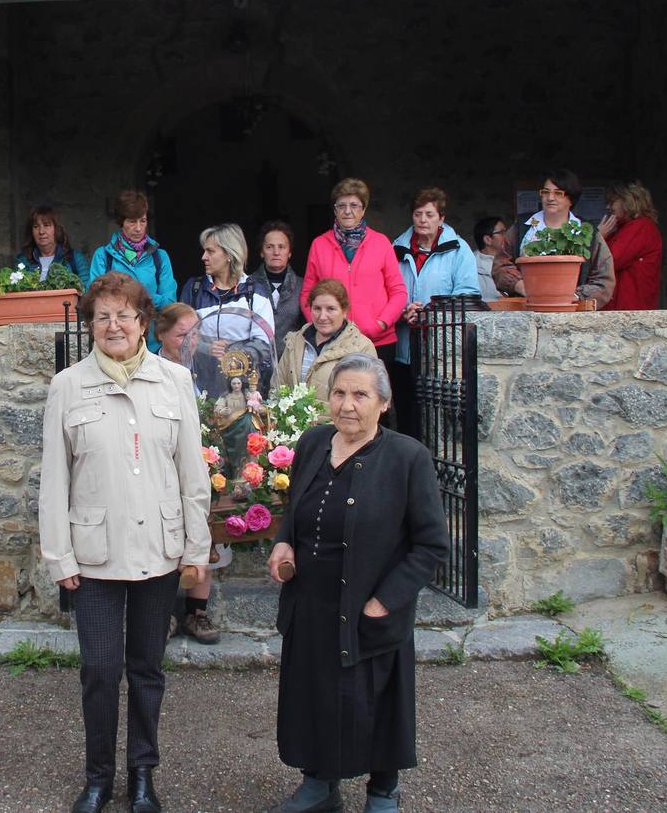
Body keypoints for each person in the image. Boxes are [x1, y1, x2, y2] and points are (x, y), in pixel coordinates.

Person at [39, 272, 212, 813]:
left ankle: (142, 775)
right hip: (93, 556)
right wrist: (59, 555)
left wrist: (196, 549)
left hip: (159, 550)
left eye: (124, 315)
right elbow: (54, 478)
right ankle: (98, 777)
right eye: (102, 316)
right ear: (91, 325)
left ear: (142, 322)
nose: (114, 325)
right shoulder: (67, 386)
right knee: (99, 669)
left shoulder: (174, 380)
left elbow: (192, 474)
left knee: (146, 669)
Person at [266, 355, 448, 813]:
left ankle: (383, 791)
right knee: (315, 697)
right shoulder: (313, 442)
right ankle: (319, 784)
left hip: (370, 607)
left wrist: (385, 601)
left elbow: (431, 545)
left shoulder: (408, 458)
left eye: (361, 395)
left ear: (383, 403)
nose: (347, 405)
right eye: (339, 393)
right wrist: (284, 542)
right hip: (312, 605)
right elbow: (296, 508)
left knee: (377, 703)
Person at [156, 301, 229, 644]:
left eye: (195, 333)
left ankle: (197, 613)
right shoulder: (152, 368)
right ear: (161, 334)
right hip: (165, 464)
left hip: (206, 459)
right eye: (182, 334)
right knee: (166, 536)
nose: (190, 341)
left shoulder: (207, 365)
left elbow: (223, 406)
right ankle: (164, 613)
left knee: (206, 532)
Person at [391, 187, 481, 436]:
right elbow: (385, 291)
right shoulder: (396, 248)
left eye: (429, 215)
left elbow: (468, 295)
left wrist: (429, 314)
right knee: (406, 413)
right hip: (404, 350)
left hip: (441, 350)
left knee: (439, 419)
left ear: (441, 218)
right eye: (418, 214)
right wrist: (402, 312)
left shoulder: (458, 249)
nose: (423, 220)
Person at [300, 178, 408, 365]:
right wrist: (321, 324)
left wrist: (381, 323)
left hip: (377, 341)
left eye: (354, 205)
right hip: (333, 341)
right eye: (341, 205)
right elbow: (307, 293)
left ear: (363, 209)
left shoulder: (381, 243)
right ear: (335, 210)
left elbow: (398, 291)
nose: (347, 211)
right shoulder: (319, 245)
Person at [178, 222, 277, 400]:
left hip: (243, 389)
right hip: (199, 387)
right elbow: (181, 336)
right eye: (204, 251)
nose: (203, 257)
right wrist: (208, 348)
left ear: (229, 254)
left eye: (210, 251)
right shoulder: (194, 289)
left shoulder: (255, 292)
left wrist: (233, 353)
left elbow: (264, 343)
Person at [492, 168, 615, 308]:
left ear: (571, 198)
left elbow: (604, 279)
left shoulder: (588, 232)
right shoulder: (522, 227)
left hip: (573, 311)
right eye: (546, 192)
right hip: (527, 310)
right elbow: (500, 265)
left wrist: (574, 296)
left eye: (558, 193)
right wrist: (521, 286)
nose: (550, 198)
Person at [274, 278, 375, 404]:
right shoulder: (294, 342)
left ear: (344, 311)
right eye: (317, 308)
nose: (322, 317)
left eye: (331, 309)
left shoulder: (362, 348)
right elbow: (277, 388)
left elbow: (367, 400)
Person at [87, 189, 177, 313]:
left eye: (143, 221)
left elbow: (170, 303)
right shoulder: (103, 256)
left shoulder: (160, 257)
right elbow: (93, 299)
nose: (138, 228)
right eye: (132, 221)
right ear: (121, 222)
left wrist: (143, 297)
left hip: (151, 325)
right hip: (116, 324)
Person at [599, 181, 663, 311]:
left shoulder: (641, 227)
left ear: (628, 201)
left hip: (630, 309)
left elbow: (612, 260)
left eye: (612, 202)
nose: (608, 207)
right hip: (624, 308)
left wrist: (598, 237)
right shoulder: (623, 229)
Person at [248, 220, 304, 357]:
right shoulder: (246, 285)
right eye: (269, 247)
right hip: (255, 359)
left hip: (291, 360)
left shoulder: (302, 286)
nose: (276, 252)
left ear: (289, 252)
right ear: (262, 252)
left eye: (282, 247)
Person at [16, 205, 90, 280]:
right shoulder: (23, 261)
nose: (41, 231)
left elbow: (85, 286)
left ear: (57, 229)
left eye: (46, 225)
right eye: (36, 226)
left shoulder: (76, 259)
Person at [471, 216, 508, 302]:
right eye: (502, 232)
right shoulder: (470, 264)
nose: (507, 236)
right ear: (488, 239)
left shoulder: (513, 260)